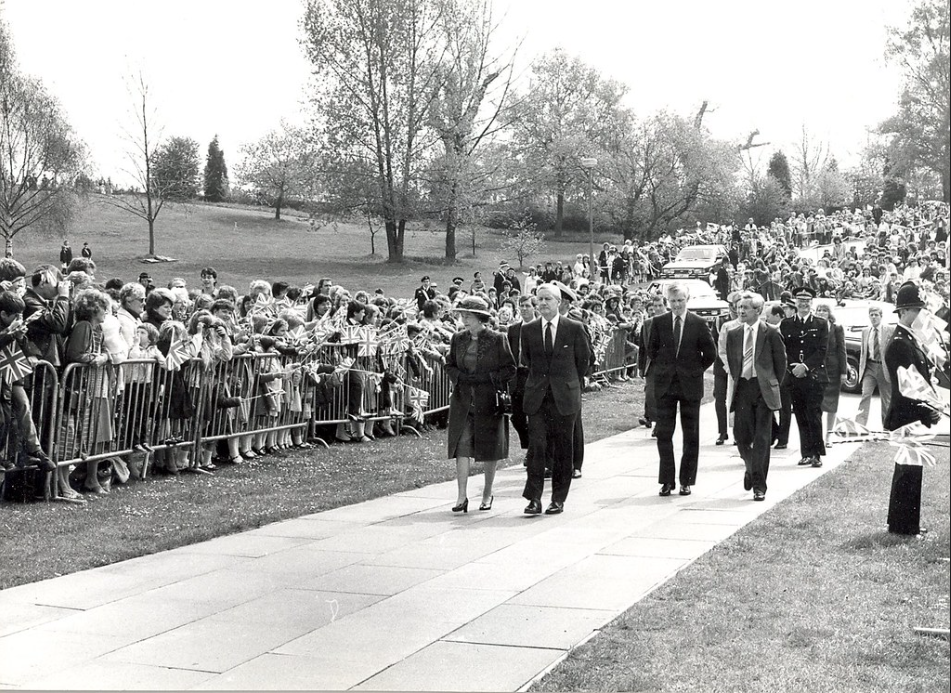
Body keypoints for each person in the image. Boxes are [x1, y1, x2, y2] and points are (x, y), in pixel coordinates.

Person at [520, 283, 591, 515]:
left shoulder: (574, 328)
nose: (542, 304)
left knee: (563, 448)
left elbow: (584, 361)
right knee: (537, 447)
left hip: (564, 397)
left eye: (547, 299)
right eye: (539, 299)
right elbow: (528, 360)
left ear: (558, 302)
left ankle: (558, 498)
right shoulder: (529, 330)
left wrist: (567, 382)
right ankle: (533, 498)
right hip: (538, 397)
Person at [444, 296, 516, 513]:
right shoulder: (458, 338)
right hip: (463, 401)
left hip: (489, 401)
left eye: (469, 315)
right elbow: (449, 365)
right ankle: (461, 496)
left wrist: (487, 378)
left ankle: (487, 493)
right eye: (462, 315)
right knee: (462, 447)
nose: (464, 319)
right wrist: (460, 377)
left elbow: (510, 368)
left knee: (490, 448)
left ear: (480, 317)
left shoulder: (497, 339)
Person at [883, 281, 943, 536]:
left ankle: (905, 524)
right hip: (907, 416)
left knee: (910, 472)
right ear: (904, 312)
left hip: (911, 416)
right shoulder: (899, 342)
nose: (922, 315)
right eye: (917, 310)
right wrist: (928, 409)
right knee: (908, 473)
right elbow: (907, 388)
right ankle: (904, 527)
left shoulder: (908, 339)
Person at [646, 282, 716, 496]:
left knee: (691, 434)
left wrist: (694, 370)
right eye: (673, 301)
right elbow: (652, 350)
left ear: (687, 300)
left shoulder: (698, 323)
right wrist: (665, 369)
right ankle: (667, 481)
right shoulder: (658, 322)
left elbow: (710, 353)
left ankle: (686, 480)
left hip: (690, 385)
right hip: (665, 385)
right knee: (664, 434)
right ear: (668, 302)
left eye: (680, 301)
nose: (676, 305)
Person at [725, 292, 786, 501]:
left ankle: (759, 486)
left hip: (763, 390)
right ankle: (751, 468)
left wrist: (770, 384)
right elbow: (733, 363)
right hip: (743, 388)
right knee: (741, 437)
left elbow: (781, 364)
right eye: (739, 307)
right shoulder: (733, 334)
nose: (741, 311)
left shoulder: (770, 333)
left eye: (745, 308)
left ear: (758, 311)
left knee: (762, 438)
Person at [780, 286, 829, 468]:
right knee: (800, 414)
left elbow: (822, 350)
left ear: (811, 303)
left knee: (813, 414)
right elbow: (783, 349)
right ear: (795, 302)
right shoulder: (786, 324)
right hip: (794, 376)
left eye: (807, 301)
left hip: (814, 376)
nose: (803, 304)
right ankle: (806, 453)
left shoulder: (821, 324)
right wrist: (794, 367)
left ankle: (817, 453)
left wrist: (806, 366)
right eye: (800, 301)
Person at [814, 301, 848, 446]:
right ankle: (818, 436)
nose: (821, 312)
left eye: (824, 310)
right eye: (819, 310)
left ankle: (829, 435)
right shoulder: (813, 327)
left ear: (829, 313)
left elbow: (842, 350)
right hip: (817, 369)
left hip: (833, 369)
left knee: (832, 404)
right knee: (817, 404)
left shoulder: (837, 328)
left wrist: (843, 372)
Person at [855, 305, 895, 429]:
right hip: (870, 367)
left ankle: (886, 426)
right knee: (865, 395)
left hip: (884, 368)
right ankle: (859, 425)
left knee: (886, 399)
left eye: (876, 315)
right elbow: (863, 351)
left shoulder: (889, 329)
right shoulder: (865, 331)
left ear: (881, 316)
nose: (873, 317)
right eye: (871, 315)